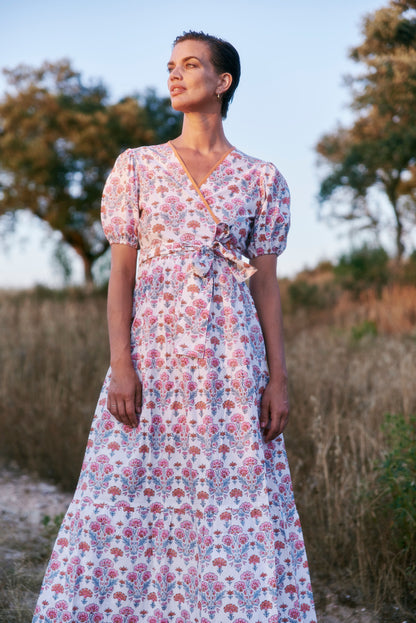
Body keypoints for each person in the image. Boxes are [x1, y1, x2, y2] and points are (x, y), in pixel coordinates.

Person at [33, 31, 317, 623]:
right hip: (155, 360)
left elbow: (264, 286)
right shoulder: (137, 166)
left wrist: (278, 379)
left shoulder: (261, 179)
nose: (175, 75)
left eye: (191, 65)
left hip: (231, 365)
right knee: (128, 497)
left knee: (229, 503)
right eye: (171, 66)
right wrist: (122, 365)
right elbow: (121, 279)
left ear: (222, 82)